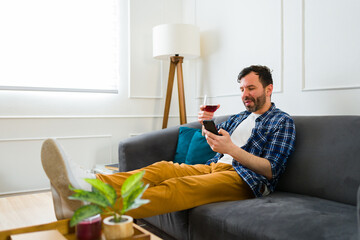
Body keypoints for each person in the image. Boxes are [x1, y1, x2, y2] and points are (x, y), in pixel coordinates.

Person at [41, 65, 296, 220]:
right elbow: (217, 143)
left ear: (269, 89)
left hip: (246, 180)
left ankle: (93, 211)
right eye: (241, 89)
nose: (245, 95)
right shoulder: (239, 117)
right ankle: (88, 183)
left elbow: (271, 169)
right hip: (214, 167)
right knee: (161, 168)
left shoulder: (282, 122)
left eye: (251, 88)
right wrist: (208, 126)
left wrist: (232, 149)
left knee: (177, 186)